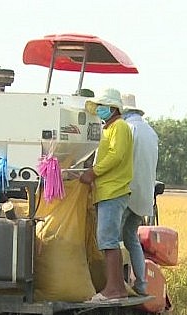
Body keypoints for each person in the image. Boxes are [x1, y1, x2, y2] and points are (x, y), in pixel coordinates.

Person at [80, 88, 134, 302]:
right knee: (107, 240)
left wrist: (92, 173)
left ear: (113, 108)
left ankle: (114, 289)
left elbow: (116, 156)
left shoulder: (119, 127)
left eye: (102, 107)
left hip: (113, 190)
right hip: (108, 190)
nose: (99, 110)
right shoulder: (111, 128)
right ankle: (115, 287)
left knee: (108, 240)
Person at [120, 93, 159, 296]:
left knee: (111, 239)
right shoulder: (150, 131)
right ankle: (142, 284)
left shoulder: (127, 129)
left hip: (126, 192)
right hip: (145, 194)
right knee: (131, 238)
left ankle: (115, 284)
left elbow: (119, 160)